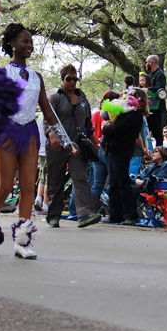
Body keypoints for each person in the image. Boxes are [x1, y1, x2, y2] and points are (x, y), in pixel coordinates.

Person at [0, 23, 63, 259]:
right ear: (12, 44)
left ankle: (22, 241)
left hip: (29, 132)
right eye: (25, 41)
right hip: (5, 130)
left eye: (31, 42)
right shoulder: (1, 73)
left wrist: (64, 138)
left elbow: (48, 111)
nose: (30, 45)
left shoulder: (37, 77)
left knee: (28, 186)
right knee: (5, 186)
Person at [45, 64, 101, 228]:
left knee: (80, 178)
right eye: (68, 79)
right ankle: (54, 216)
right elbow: (48, 119)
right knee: (56, 180)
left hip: (77, 146)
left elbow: (88, 125)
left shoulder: (83, 100)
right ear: (62, 80)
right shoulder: (55, 98)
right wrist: (51, 135)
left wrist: (95, 143)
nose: (72, 82)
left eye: (75, 79)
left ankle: (84, 214)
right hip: (57, 145)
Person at [102, 88, 149, 226]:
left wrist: (105, 128)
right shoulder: (125, 112)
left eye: (132, 95)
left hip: (122, 150)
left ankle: (131, 215)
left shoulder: (135, 115)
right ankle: (115, 214)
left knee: (123, 182)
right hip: (113, 149)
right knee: (114, 183)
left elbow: (117, 129)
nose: (128, 97)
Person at [142, 55, 167, 147]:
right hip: (149, 105)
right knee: (147, 129)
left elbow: (160, 87)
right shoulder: (151, 74)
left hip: (156, 106)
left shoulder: (159, 74)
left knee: (156, 130)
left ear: (151, 63)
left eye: (146, 62)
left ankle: (160, 149)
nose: (146, 64)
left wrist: (149, 89)